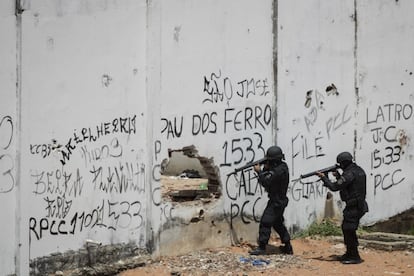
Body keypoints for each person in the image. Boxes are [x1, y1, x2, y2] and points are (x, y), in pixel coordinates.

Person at [317, 151, 369, 264]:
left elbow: (335, 187)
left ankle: (354, 256)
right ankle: (350, 253)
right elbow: (349, 185)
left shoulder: (349, 173)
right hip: (357, 205)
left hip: (354, 207)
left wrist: (324, 178)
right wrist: (339, 176)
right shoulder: (357, 170)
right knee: (348, 229)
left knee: (348, 230)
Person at [249, 146, 293, 255]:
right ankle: (288, 246)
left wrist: (259, 172)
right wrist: (266, 167)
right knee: (277, 224)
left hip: (276, 202)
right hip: (279, 200)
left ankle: (262, 247)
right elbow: (269, 176)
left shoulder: (278, 171)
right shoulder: (282, 166)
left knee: (265, 222)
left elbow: (266, 182)